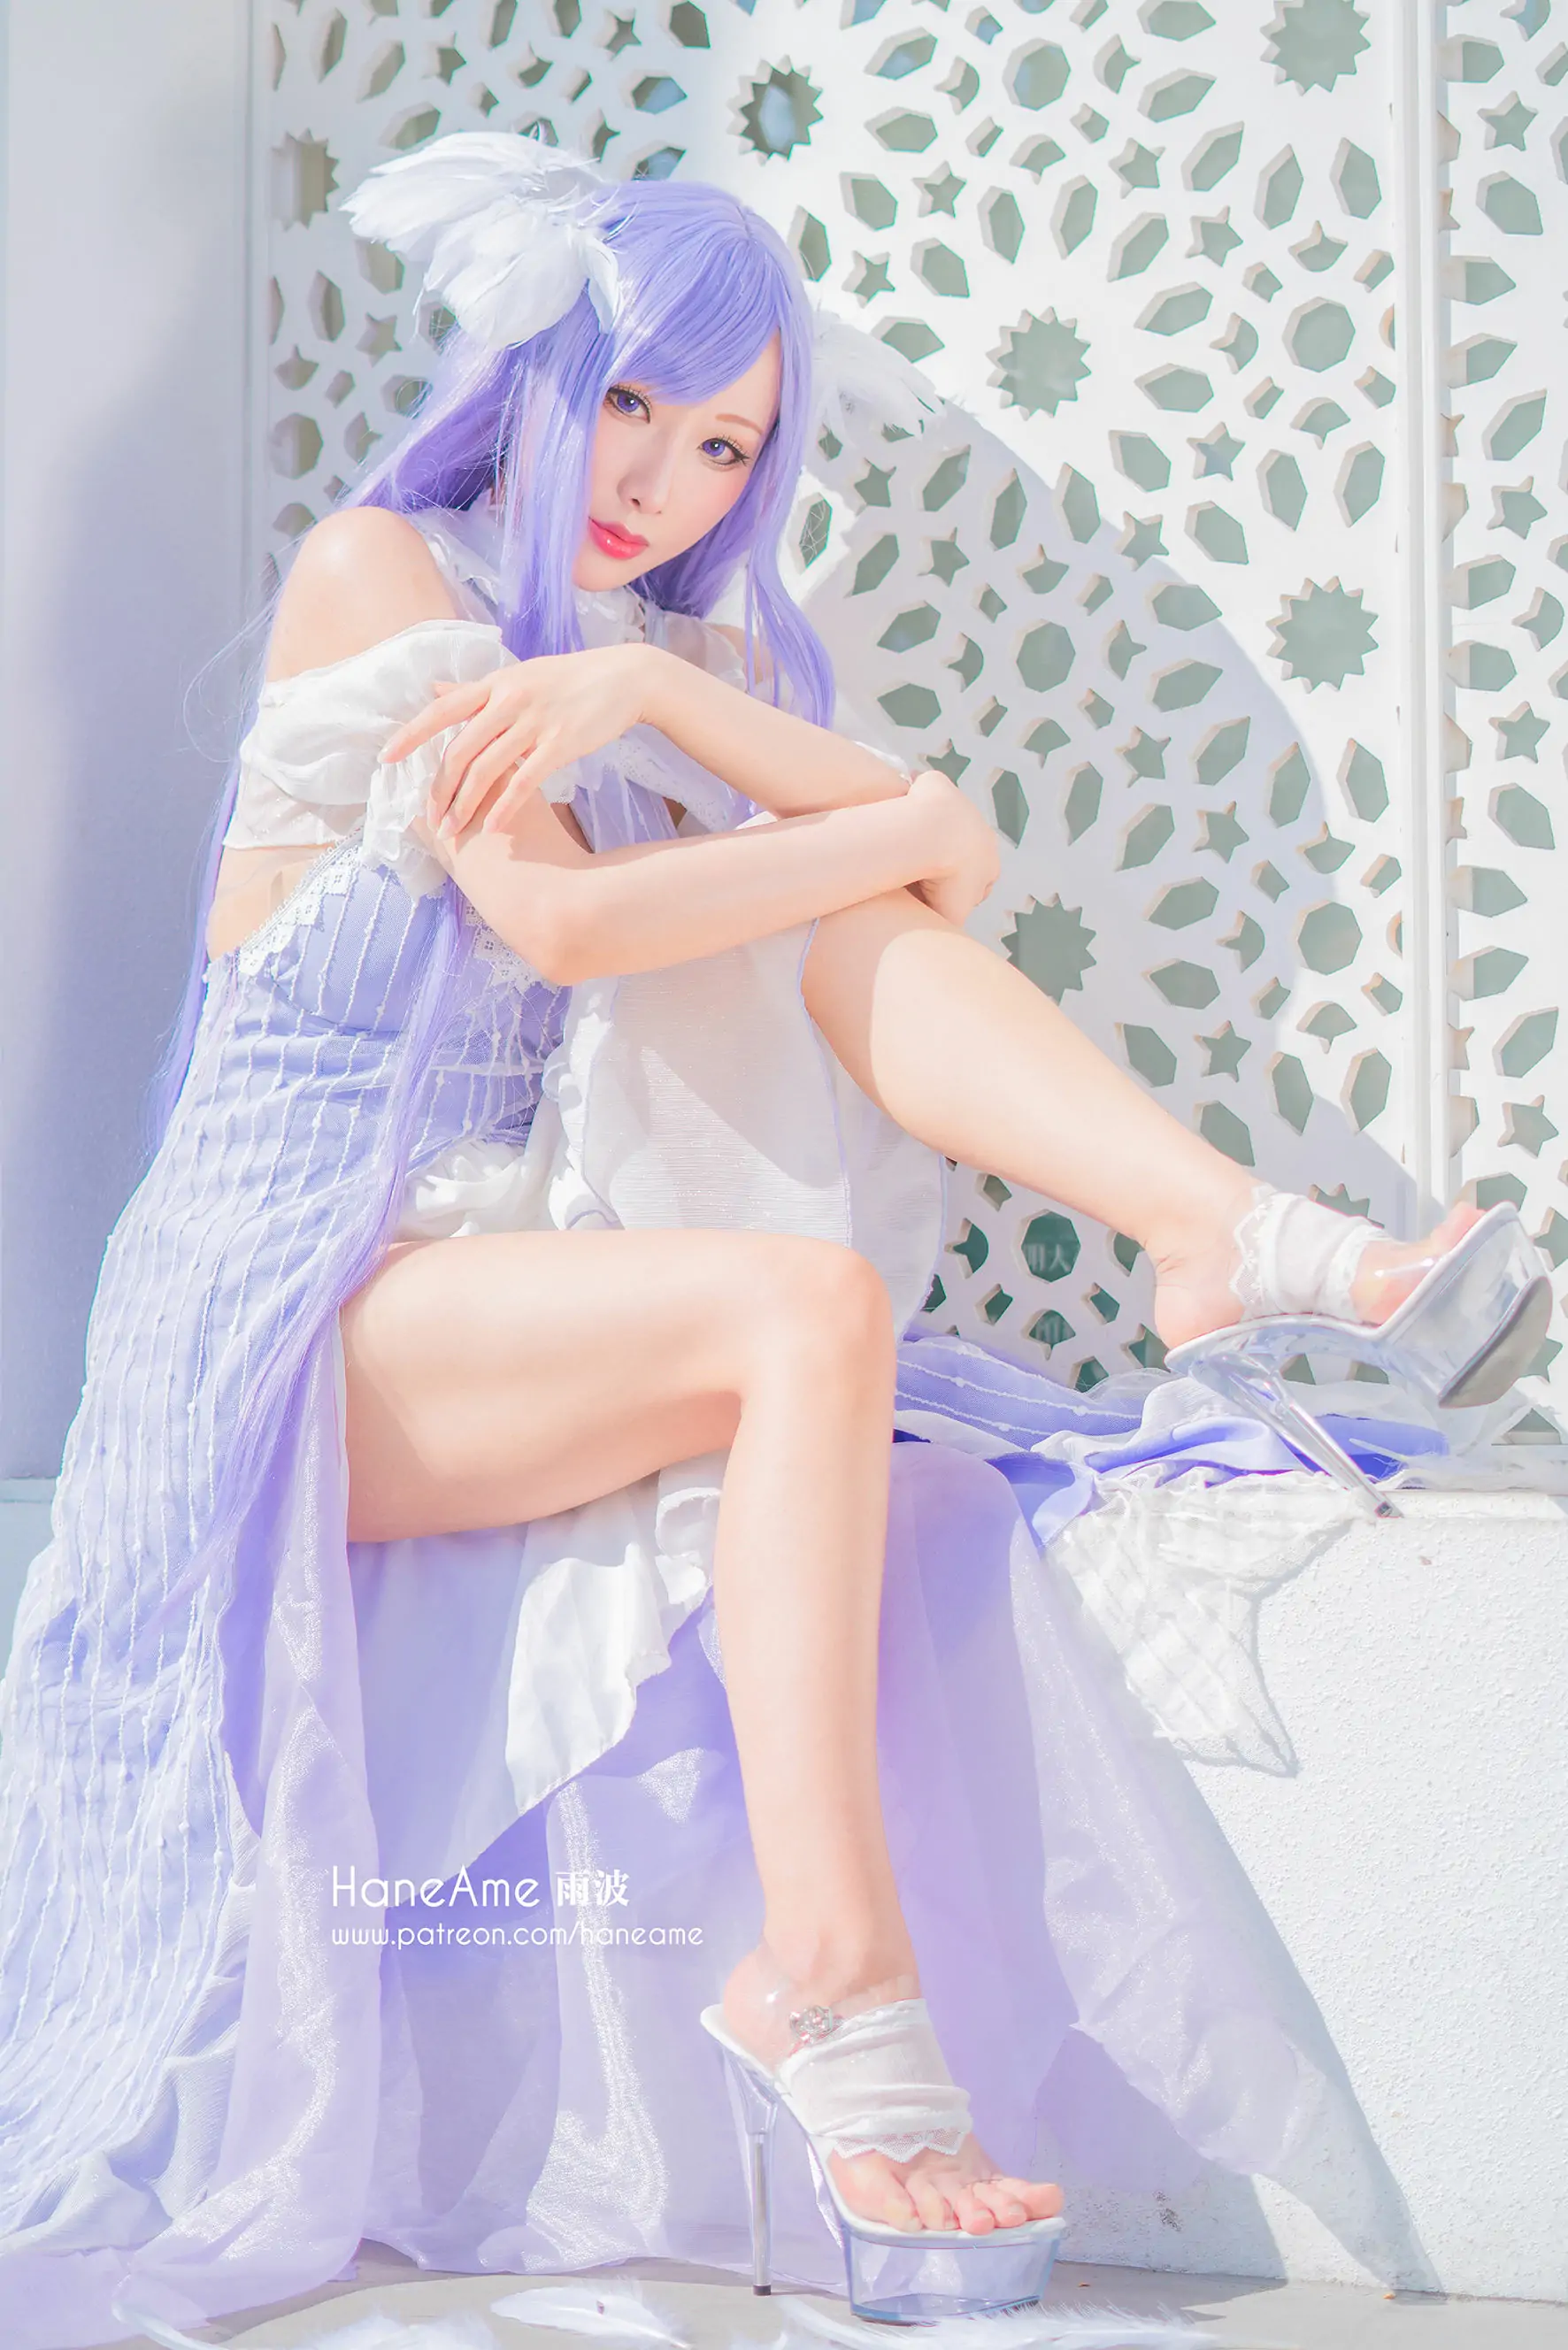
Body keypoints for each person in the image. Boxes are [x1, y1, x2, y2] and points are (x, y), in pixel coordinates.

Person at [0, 135, 1541, 2350]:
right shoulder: (379, 569)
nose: (663, 478)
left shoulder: (655, 650)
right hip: (291, 1301)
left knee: (845, 935)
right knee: (809, 1248)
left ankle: (1236, 1234)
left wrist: (663, 699)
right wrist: (878, 814)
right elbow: (563, 918)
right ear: (536, 377)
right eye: (633, 404)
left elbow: (938, 874)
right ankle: (833, 1973)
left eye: (725, 444)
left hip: (497, 1275)